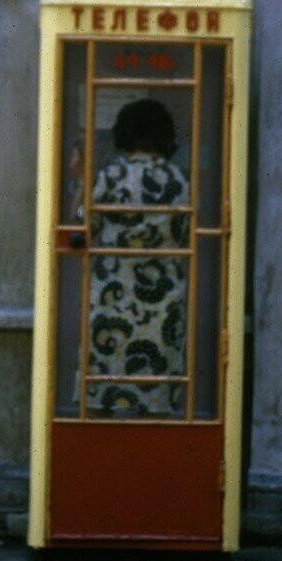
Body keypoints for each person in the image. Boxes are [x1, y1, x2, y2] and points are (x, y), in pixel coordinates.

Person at [85, 98, 189, 416]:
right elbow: (185, 233)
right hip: (163, 298)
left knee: (110, 381)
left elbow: (85, 229)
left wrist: (78, 186)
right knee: (156, 387)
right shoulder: (177, 180)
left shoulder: (111, 176)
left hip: (112, 293)